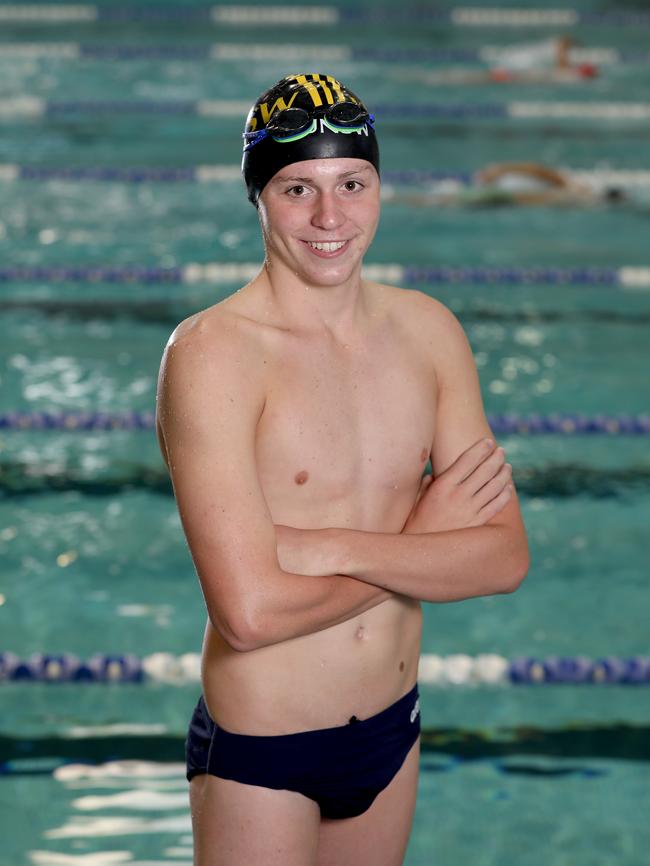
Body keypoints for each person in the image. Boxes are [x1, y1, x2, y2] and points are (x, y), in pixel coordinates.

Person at [155, 73, 529, 866]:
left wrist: (329, 545)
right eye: (298, 189)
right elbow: (248, 615)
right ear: (257, 197)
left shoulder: (429, 333)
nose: (330, 218)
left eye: (352, 184)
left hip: (393, 727)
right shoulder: (213, 357)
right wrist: (422, 545)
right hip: (265, 750)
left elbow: (502, 556)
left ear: (380, 187)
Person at [383, 161, 627, 208]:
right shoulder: (570, 185)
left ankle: (396, 197)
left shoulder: (571, 194)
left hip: (504, 195)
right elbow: (536, 169)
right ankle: (393, 197)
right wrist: (501, 170)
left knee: (445, 198)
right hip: (502, 193)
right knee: (444, 200)